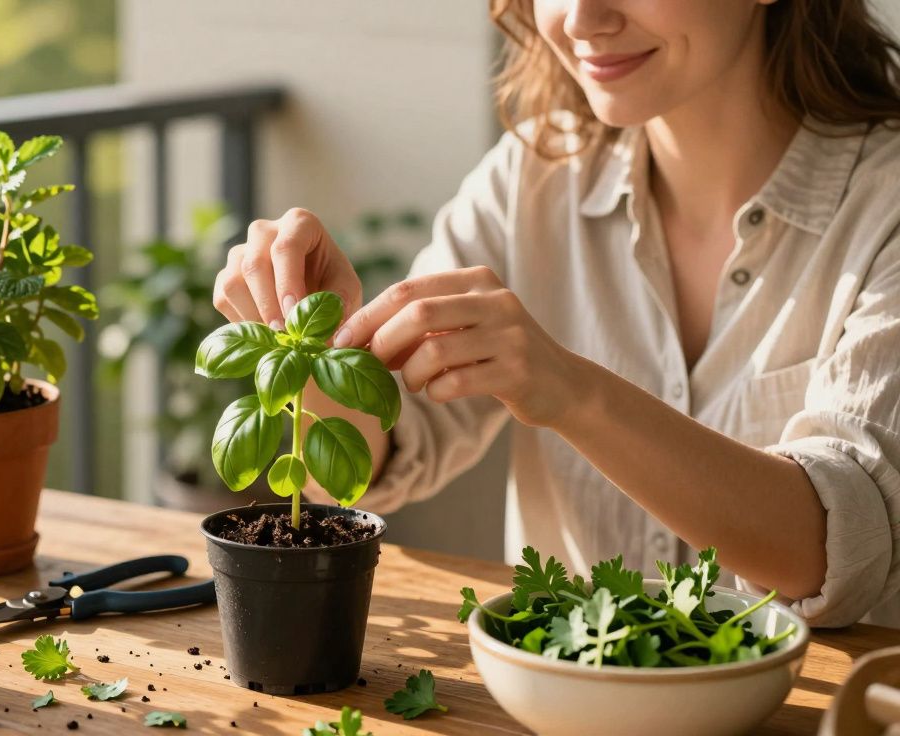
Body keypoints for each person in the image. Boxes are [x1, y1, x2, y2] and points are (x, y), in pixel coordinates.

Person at [210, 0, 900, 628]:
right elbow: (374, 453)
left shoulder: (884, 203)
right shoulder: (532, 174)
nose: (580, 17)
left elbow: (837, 548)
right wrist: (313, 339)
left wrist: (573, 391)